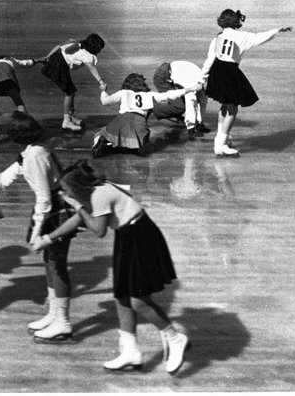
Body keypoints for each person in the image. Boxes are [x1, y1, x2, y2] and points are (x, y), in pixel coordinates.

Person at [39, 160, 189, 374]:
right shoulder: (96, 192)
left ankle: (175, 339)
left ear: (78, 188)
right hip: (127, 236)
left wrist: (77, 206)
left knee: (138, 301)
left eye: (67, 190)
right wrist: (48, 238)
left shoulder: (99, 195)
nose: (65, 194)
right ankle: (131, 352)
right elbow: (77, 219)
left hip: (140, 237)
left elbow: (98, 230)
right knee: (122, 297)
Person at [0, 113, 77, 343]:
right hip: (51, 206)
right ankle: (54, 314)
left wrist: (38, 231)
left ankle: (63, 322)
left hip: (54, 208)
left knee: (57, 264)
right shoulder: (33, 151)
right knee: (50, 261)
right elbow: (10, 173)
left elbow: (44, 199)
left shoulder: (35, 157)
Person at [200, 9, 292, 157]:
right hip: (230, 73)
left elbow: (210, 59)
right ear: (236, 21)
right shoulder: (243, 36)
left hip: (217, 71)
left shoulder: (218, 37)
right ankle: (221, 144)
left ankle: (220, 139)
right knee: (232, 109)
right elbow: (261, 37)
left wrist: (201, 78)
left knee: (225, 105)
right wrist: (277, 30)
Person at [91, 73, 187, 157]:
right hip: (139, 124)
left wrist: (103, 90)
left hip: (122, 121)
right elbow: (168, 95)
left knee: (100, 133)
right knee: (140, 145)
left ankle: (103, 144)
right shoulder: (149, 95)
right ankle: (134, 147)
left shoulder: (124, 92)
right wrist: (189, 89)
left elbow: (105, 101)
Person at [40, 34, 105, 132]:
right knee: (69, 93)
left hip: (56, 61)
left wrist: (48, 57)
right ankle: (66, 121)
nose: (99, 51)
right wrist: (100, 81)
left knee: (71, 91)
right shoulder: (86, 54)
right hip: (58, 66)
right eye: (99, 49)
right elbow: (91, 68)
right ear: (95, 47)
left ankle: (71, 116)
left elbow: (59, 46)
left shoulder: (74, 43)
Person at [0, 54, 37, 142]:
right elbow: (25, 63)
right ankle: (27, 129)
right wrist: (37, 60)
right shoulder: (10, 59)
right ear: (5, 58)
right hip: (7, 78)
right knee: (19, 103)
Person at [151, 61, 210, 138]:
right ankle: (151, 107)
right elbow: (191, 101)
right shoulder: (193, 83)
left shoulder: (204, 79)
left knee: (200, 96)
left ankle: (180, 117)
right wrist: (191, 127)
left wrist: (199, 123)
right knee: (179, 107)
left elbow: (202, 100)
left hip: (173, 73)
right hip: (162, 77)